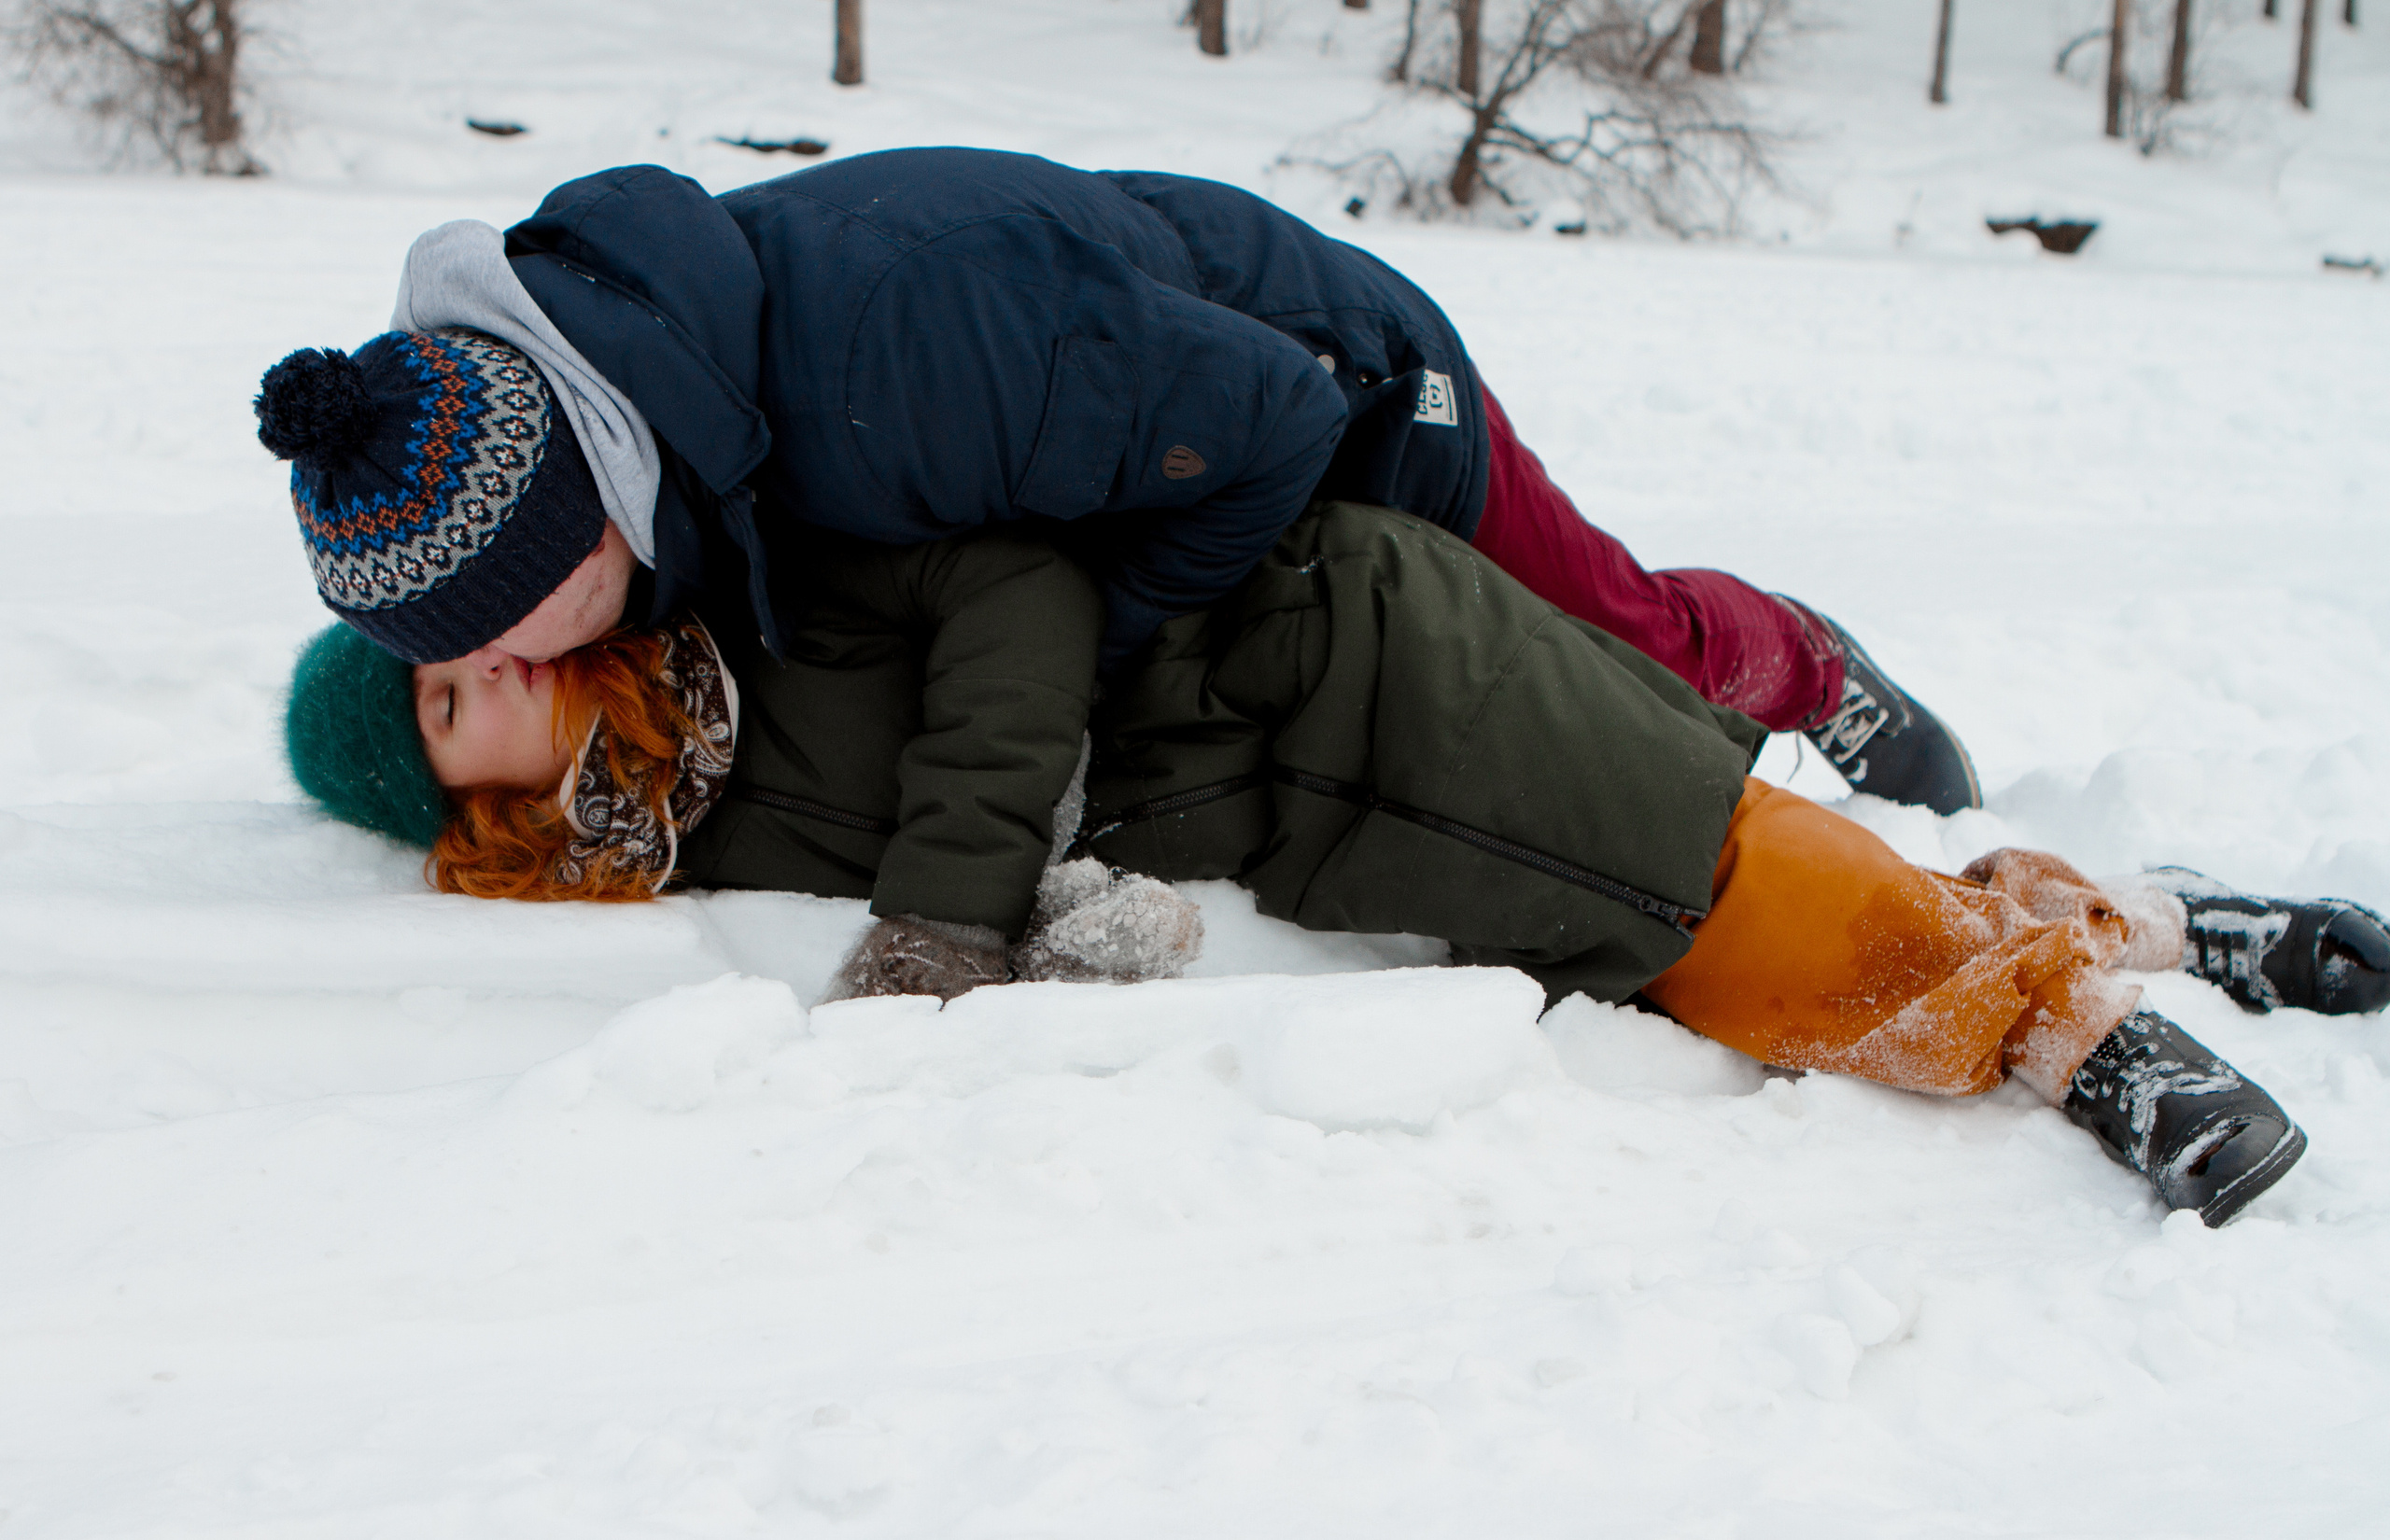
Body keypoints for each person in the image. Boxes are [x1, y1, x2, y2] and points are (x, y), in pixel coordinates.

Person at [283, 498, 2389, 1229]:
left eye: (465, 640)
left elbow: (1013, 593)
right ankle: (2172, 920)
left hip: (1338, 656)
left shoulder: (740, 600)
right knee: (1682, 902)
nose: (490, 669)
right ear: (460, 801)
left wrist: (961, 896)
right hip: (1313, 795)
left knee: (1705, 883)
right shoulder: (662, 843)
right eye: (450, 703)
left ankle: (2072, 1036)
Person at [255, 147, 1977, 814]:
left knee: (1622, 655)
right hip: (1138, 405)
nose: (509, 667)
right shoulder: (650, 403)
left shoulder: (892, 366)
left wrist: (1099, 647)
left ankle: (1801, 661)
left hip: (1349, 385)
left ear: (572, 520)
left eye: (489, 633)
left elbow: (1277, 419)